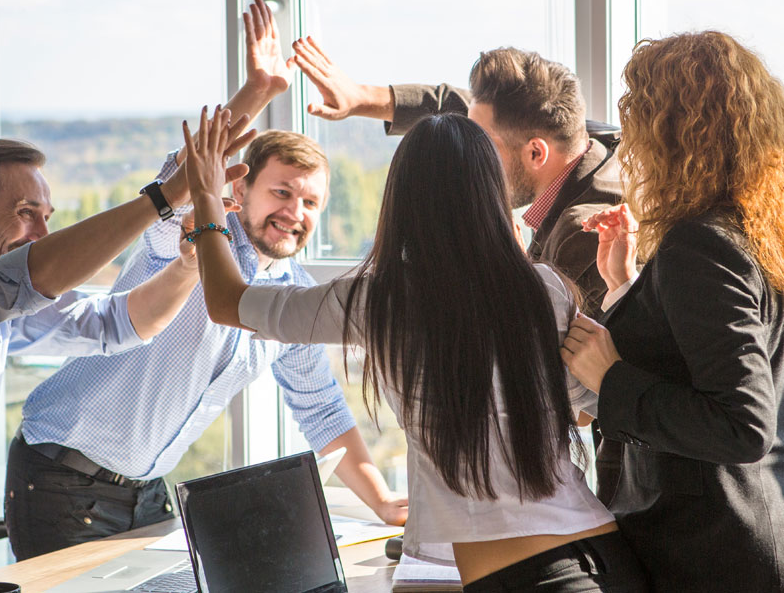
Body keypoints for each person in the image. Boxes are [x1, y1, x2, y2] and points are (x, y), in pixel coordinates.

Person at [183, 107, 648, 592]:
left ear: (402, 199)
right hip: (605, 556)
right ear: (491, 195)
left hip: (535, 578)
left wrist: (206, 201)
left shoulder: (378, 300)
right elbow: (583, 411)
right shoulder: (542, 288)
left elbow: (227, 302)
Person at [4, 4, 406, 560]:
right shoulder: (193, 239)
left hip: (147, 493)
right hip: (61, 477)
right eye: (282, 192)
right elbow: (180, 178)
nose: (295, 211)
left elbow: (321, 407)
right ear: (238, 192)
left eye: (311, 201)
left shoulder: (289, 296)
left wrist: (385, 500)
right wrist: (259, 91)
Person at [0, 119, 251, 592]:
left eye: (47, 216)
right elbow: (27, 279)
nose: (41, 232)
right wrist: (163, 197)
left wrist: (186, 266)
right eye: (25, 212)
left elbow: (116, 323)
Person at [291, 38, 625, 502]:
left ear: (534, 154)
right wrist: (360, 99)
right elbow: (462, 108)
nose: (466, 158)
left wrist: (507, 258)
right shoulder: (579, 138)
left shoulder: (582, 230)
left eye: (479, 148)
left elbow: (569, 392)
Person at [561, 31, 784, 591]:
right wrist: (626, 286)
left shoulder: (699, 243)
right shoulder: (751, 231)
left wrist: (611, 380)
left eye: (638, 120)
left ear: (676, 133)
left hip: (710, 552)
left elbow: (742, 425)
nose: (627, 143)